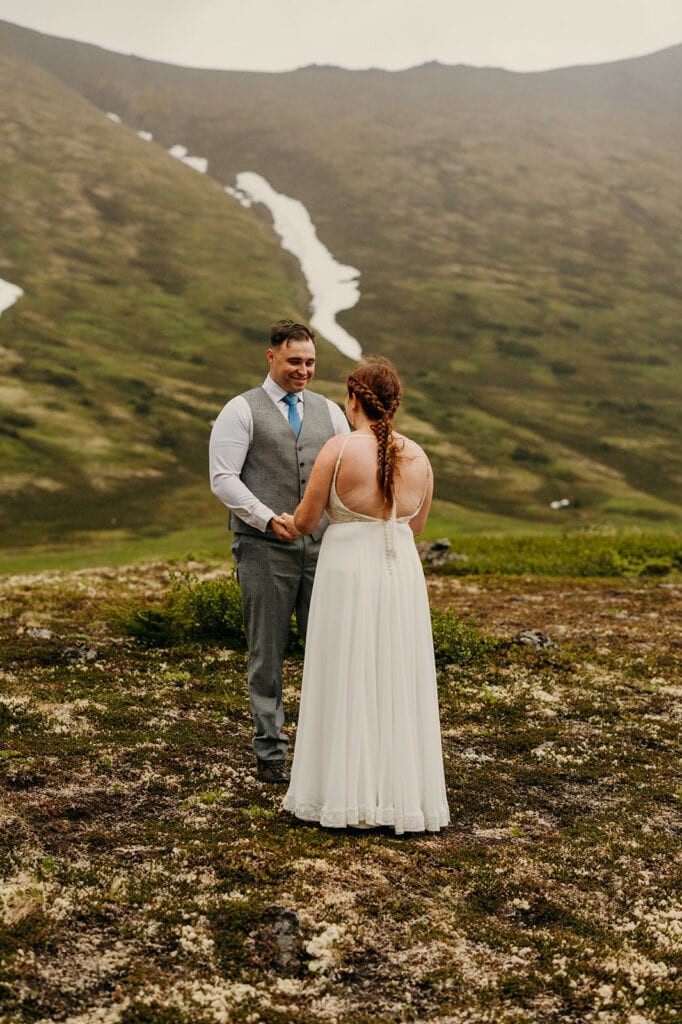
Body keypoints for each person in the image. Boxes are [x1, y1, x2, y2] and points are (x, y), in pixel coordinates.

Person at [280, 358, 450, 834]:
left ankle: (340, 793)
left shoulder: (338, 449)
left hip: (347, 572)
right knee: (395, 673)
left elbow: (305, 522)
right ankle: (399, 797)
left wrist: (277, 522)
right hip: (400, 574)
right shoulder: (419, 455)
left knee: (345, 671)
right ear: (393, 402)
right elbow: (415, 527)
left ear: (352, 399)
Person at [209, 320, 349, 783]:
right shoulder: (240, 410)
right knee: (266, 653)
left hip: (323, 550)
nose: (303, 370)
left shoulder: (330, 412)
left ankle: (322, 752)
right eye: (294, 361)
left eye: (310, 362)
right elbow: (223, 478)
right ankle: (270, 754)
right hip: (263, 550)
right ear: (271, 357)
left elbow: (345, 474)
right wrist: (268, 517)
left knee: (326, 650)